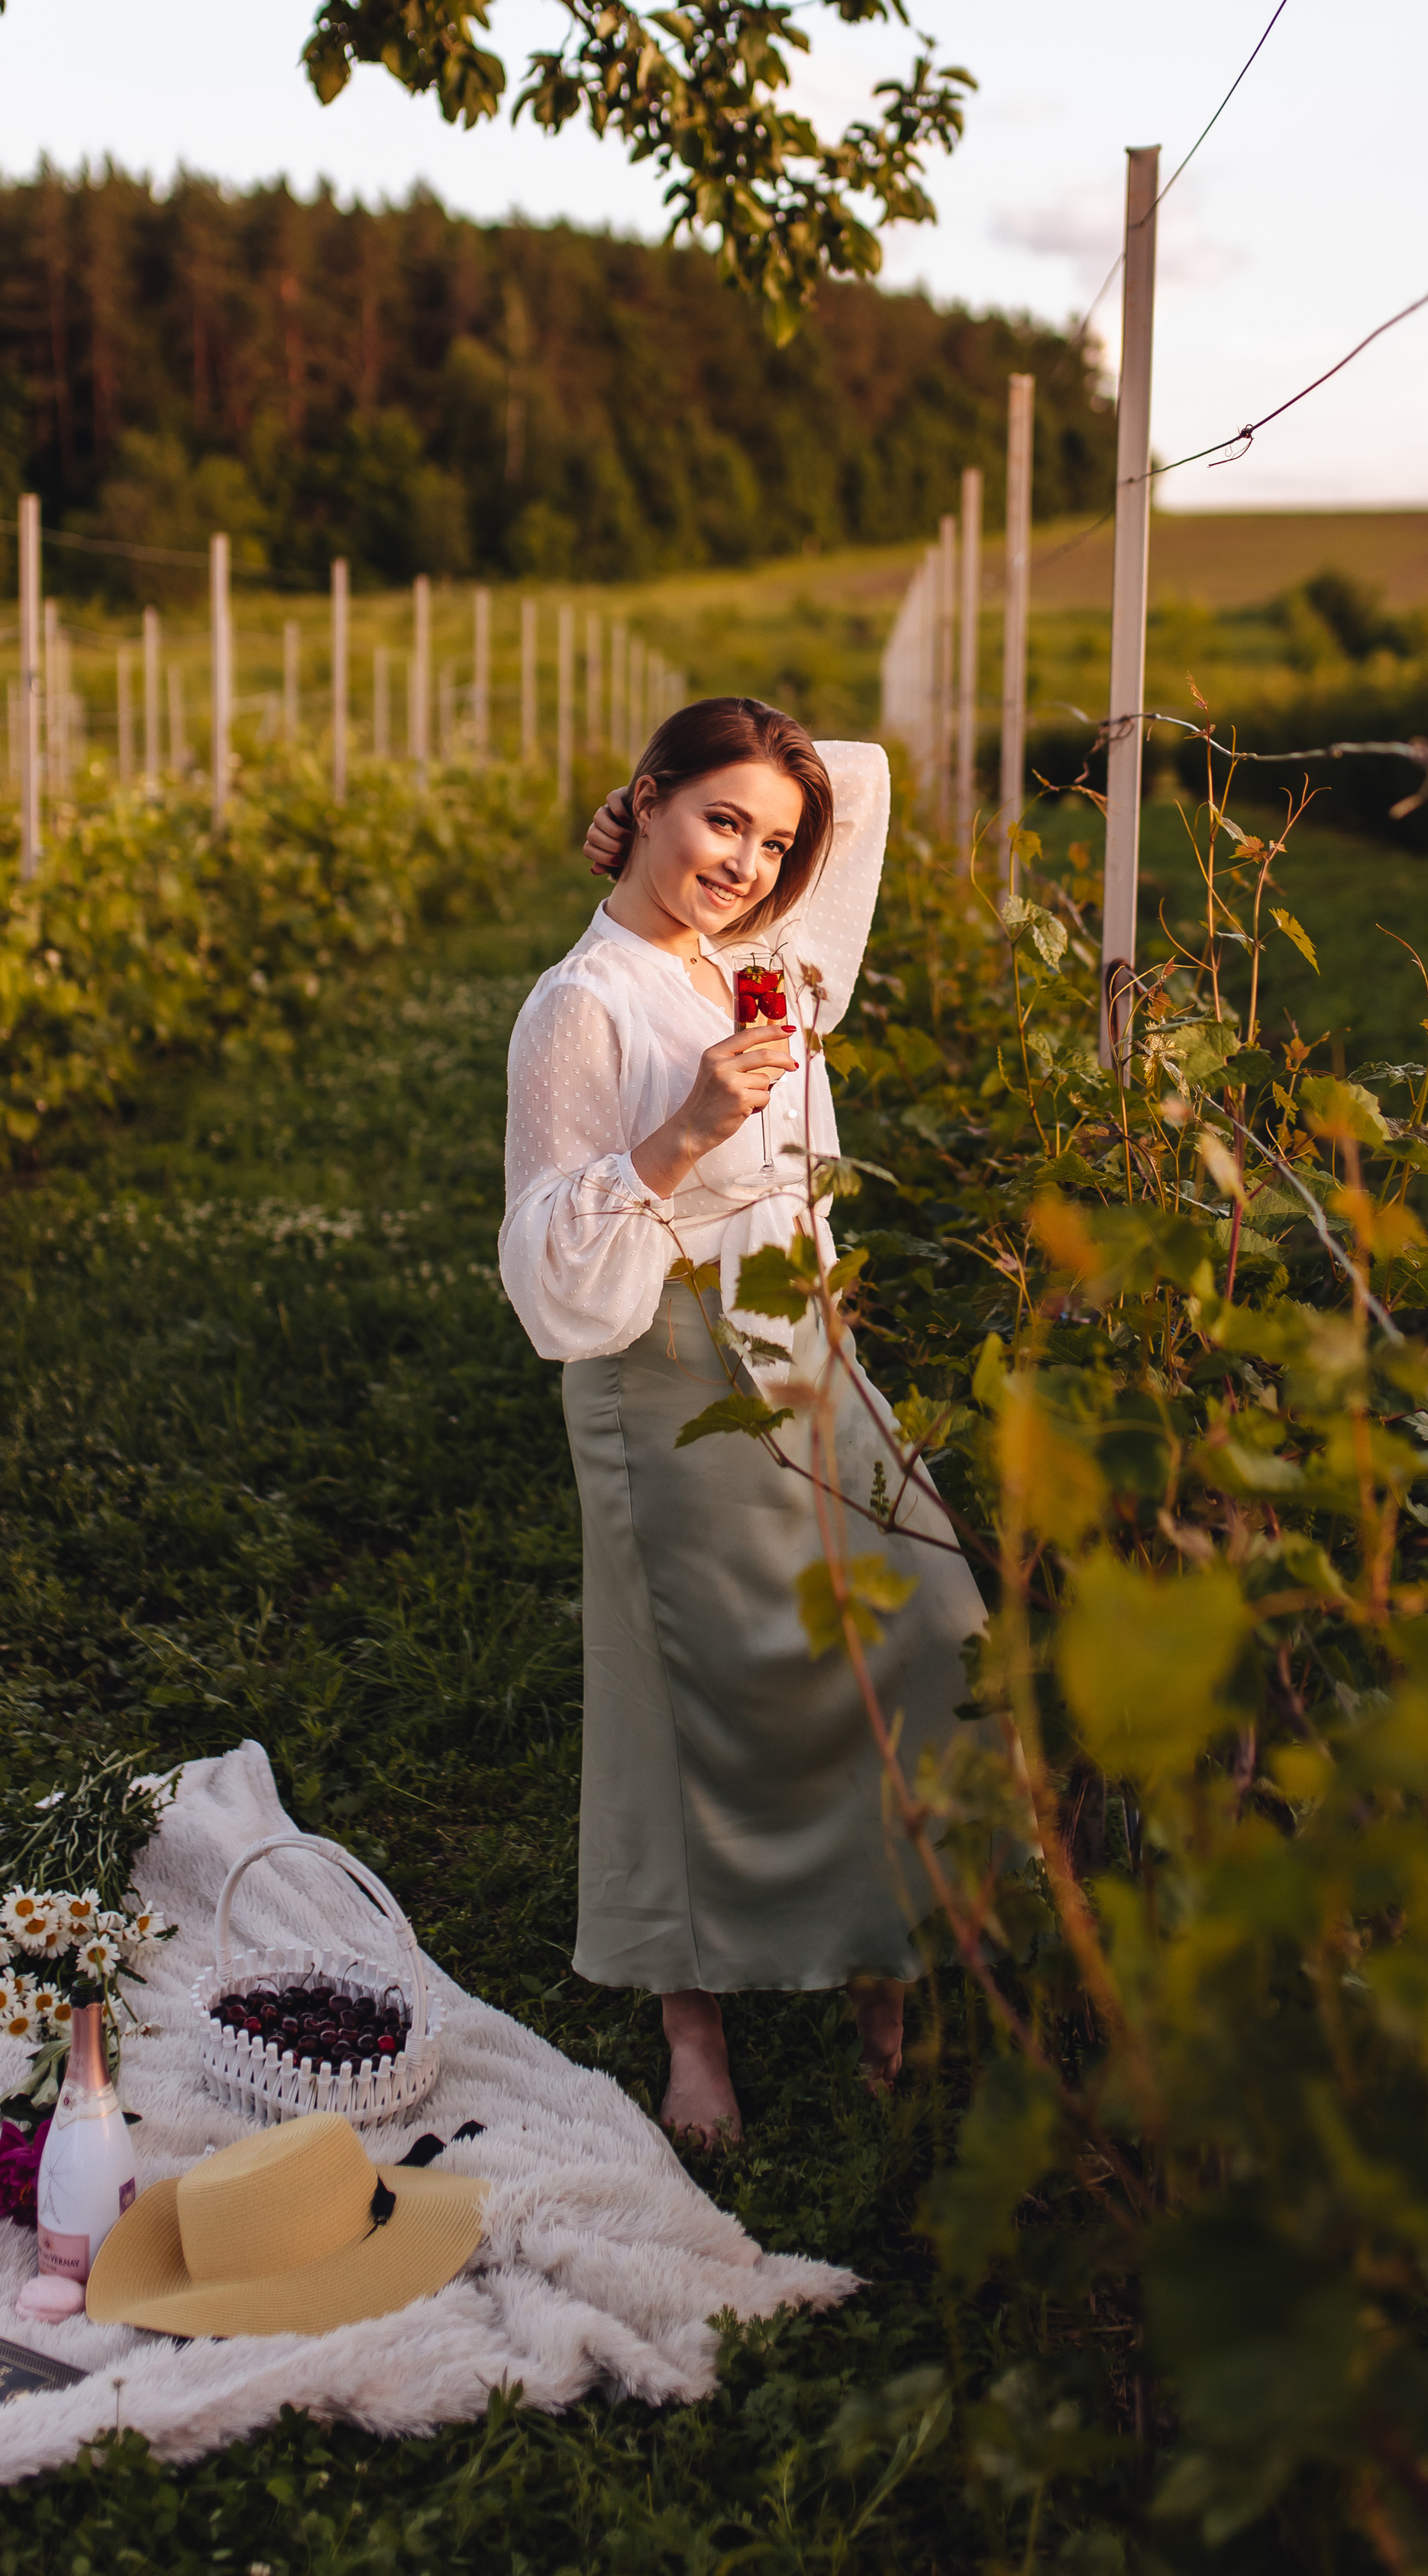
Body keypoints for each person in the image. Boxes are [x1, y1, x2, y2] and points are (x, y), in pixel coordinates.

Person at [497, 696, 986, 2142]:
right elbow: (548, 1269)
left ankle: (871, 1949)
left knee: (912, 1633)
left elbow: (867, 793)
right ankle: (692, 2019)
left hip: (808, 1344)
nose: (751, 862)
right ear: (651, 802)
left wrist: (665, 817)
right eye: (721, 820)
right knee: (691, 1696)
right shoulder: (581, 1006)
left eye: (772, 841)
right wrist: (684, 1134)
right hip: (669, 1368)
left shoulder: (763, 965)